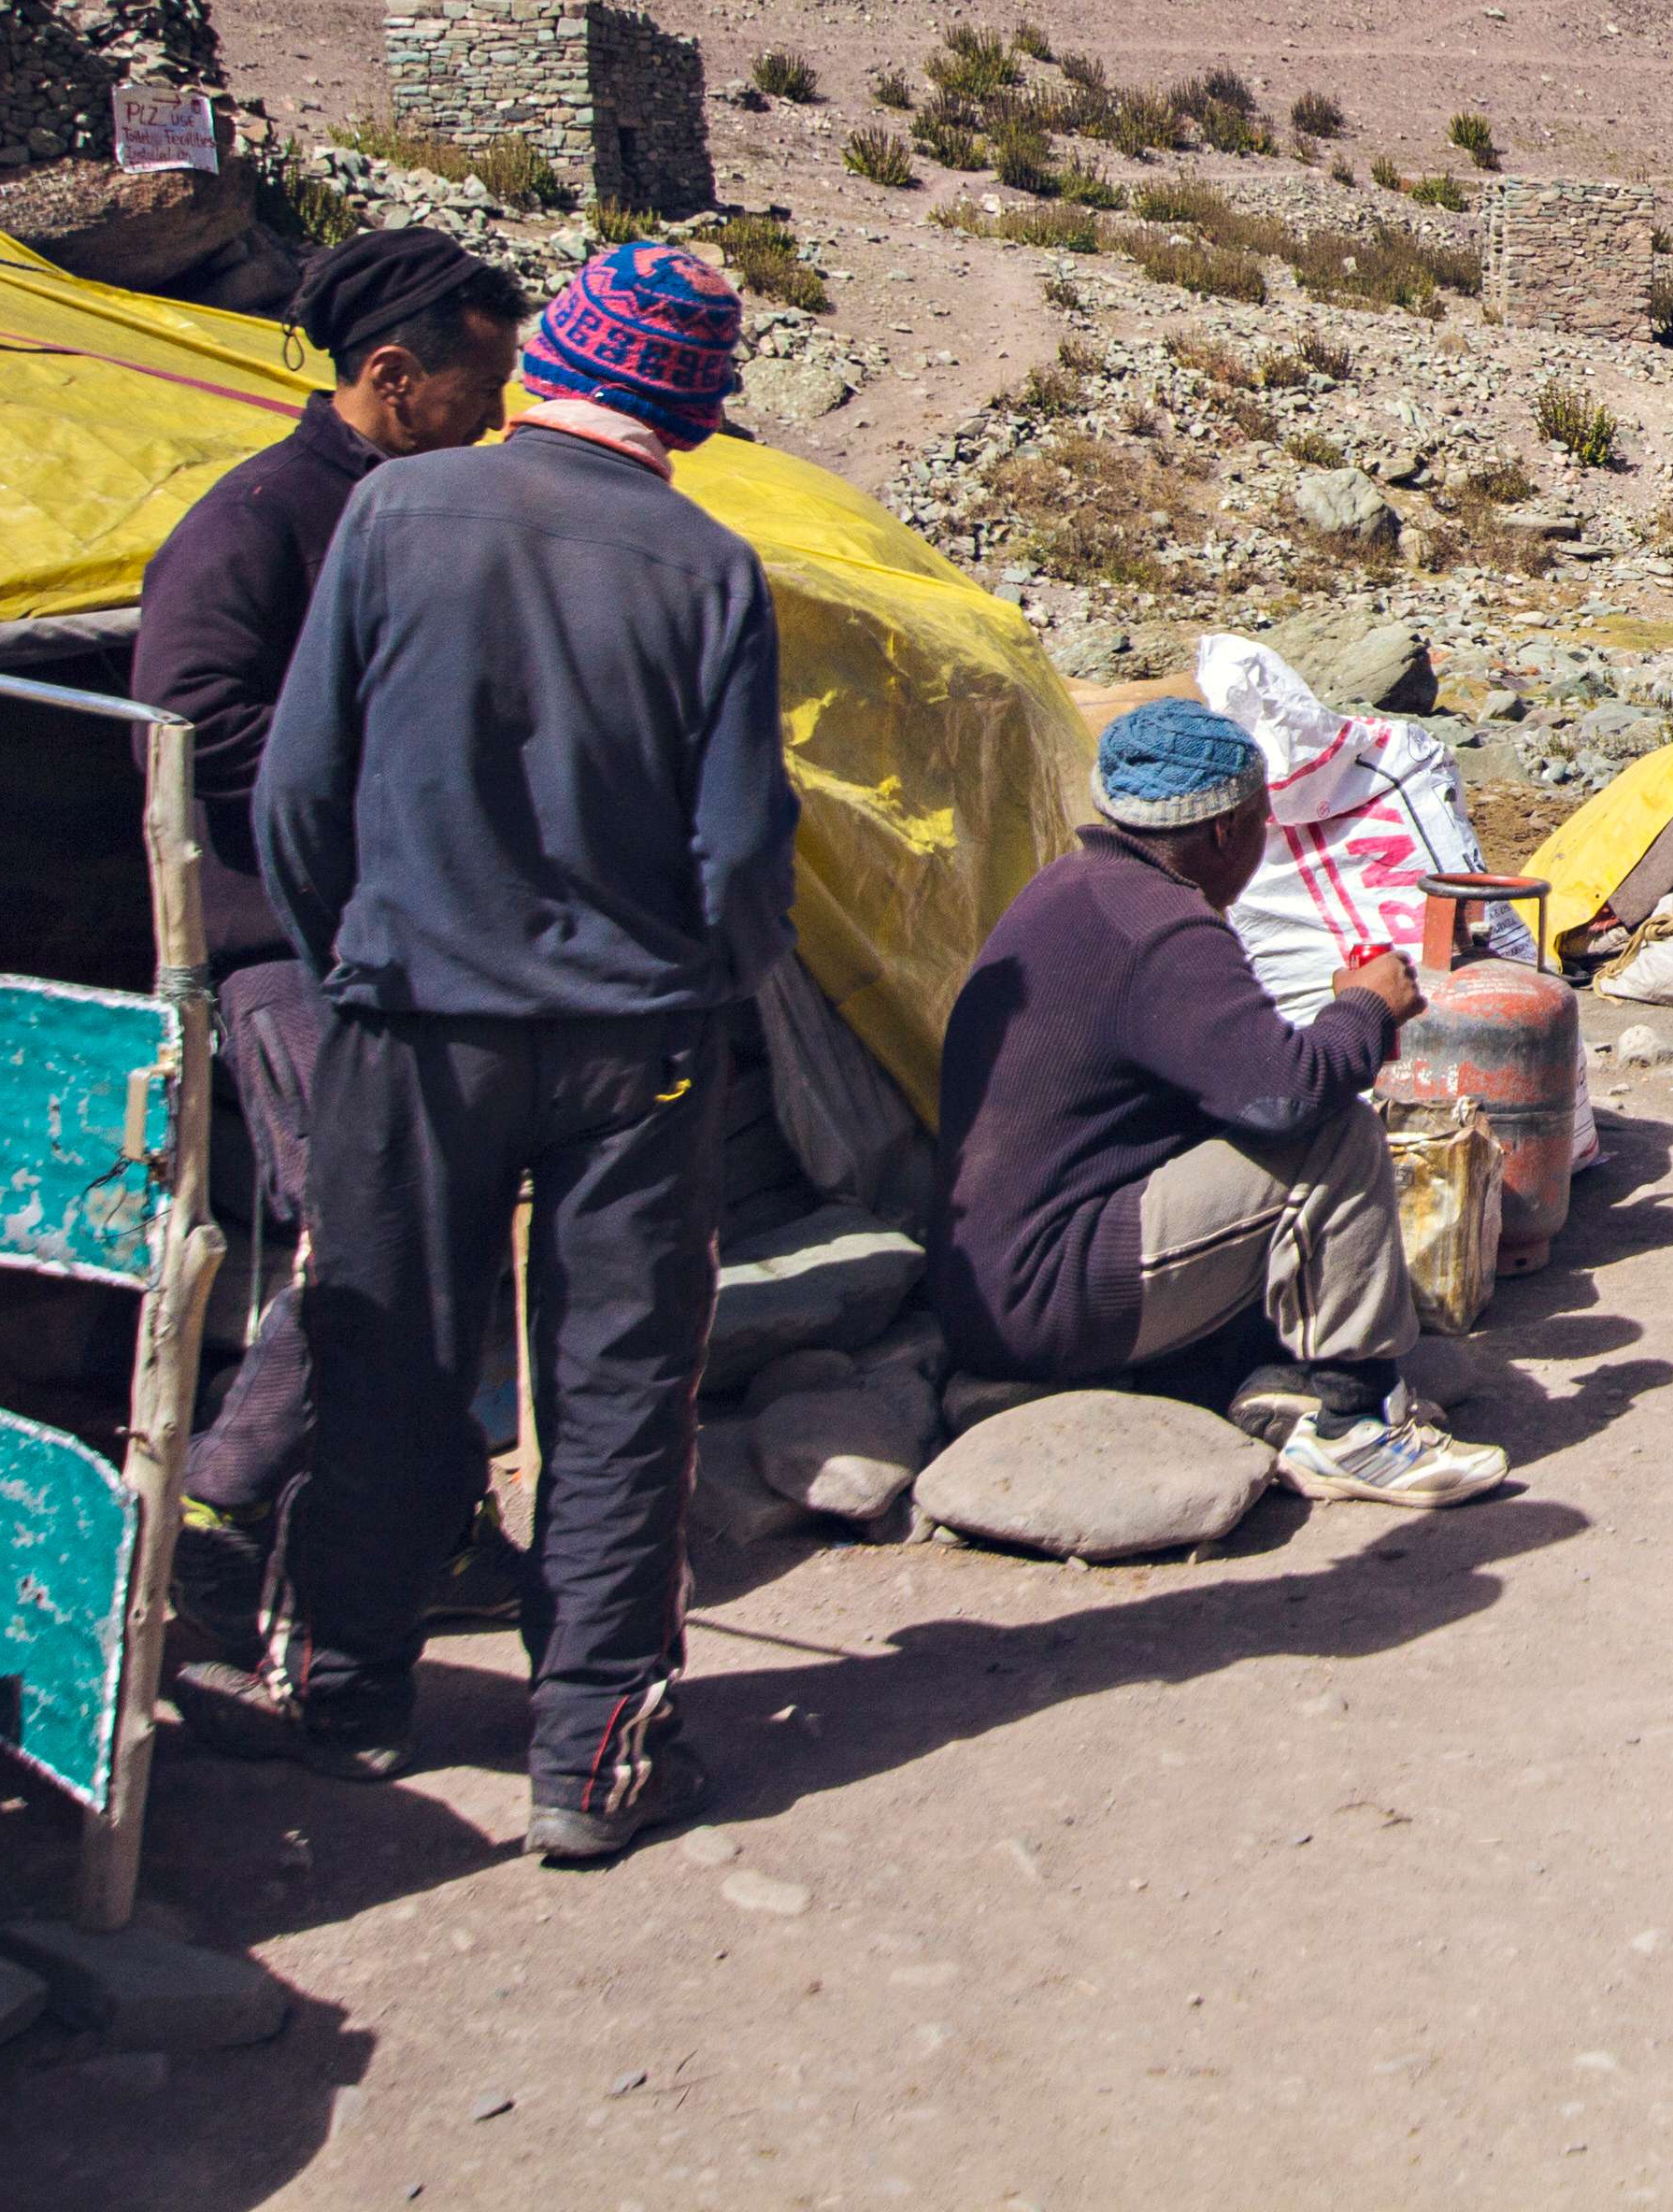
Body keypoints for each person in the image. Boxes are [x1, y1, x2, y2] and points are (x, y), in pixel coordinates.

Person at [229, 241, 798, 1867]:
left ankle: (348, 1689)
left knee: (387, 1340)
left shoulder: (396, 517)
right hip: (637, 1045)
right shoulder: (708, 567)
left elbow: (296, 794)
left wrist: (363, 954)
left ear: (555, 361)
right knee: (621, 1382)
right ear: (685, 410)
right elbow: (744, 849)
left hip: (413, 1017)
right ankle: (593, 1746)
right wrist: (706, 986)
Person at [132, 228, 535, 1674]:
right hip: (296, 941)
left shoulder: (428, 506)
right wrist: (401, 780)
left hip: (419, 938)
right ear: (391, 374)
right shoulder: (257, 522)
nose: (497, 414)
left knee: (444, 1225)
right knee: (354, 1232)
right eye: (479, 382)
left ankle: (433, 1528)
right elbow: (189, 727)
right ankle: (220, 1516)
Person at [932, 702, 1508, 1506]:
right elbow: (1289, 1095)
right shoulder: (1163, 932)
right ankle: (1354, 1419)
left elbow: (1229, 1079)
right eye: (1261, 823)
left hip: (993, 1285)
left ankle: (1252, 1371)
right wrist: (1366, 1009)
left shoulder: (1074, 889)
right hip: (1046, 1295)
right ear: (1226, 834)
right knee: (1333, 1129)